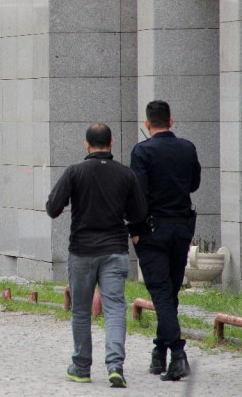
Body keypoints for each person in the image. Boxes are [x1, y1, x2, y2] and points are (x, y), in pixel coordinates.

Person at [46, 123, 147, 388]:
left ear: (87, 145)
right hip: (115, 250)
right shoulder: (126, 175)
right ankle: (115, 365)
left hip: (81, 251)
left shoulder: (75, 172)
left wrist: (61, 210)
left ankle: (81, 367)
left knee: (80, 311)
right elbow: (139, 214)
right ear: (112, 143)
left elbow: (52, 206)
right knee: (115, 309)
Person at [130, 100, 201, 381]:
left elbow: (138, 194)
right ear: (171, 121)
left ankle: (178, 354)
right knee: (169, 293)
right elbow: (194, 184)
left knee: (160, 292)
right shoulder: (187, 148)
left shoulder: (142, 151)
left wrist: (134, 230)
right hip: (182, 229)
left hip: (152, 231)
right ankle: (159, 352)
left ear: (147, 124)